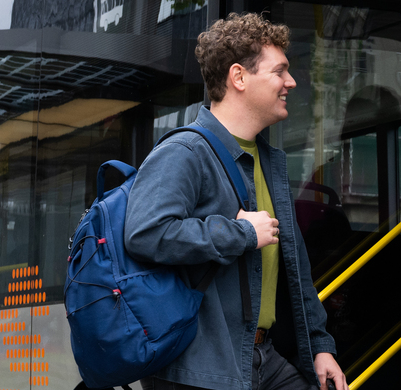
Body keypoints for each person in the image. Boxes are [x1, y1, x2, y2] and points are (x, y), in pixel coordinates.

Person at [124, 13, 346, 390]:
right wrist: (239, 233)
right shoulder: (185, 151)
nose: (290, 82)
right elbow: (145, 233)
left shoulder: (269, 161)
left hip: (262, 358)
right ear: (239, 77)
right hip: (200, 370)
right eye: (280, 71)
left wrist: (321, 346)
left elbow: (296, 268)